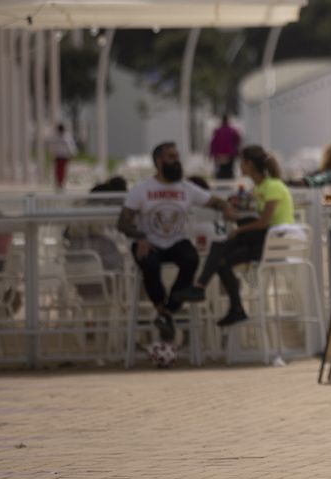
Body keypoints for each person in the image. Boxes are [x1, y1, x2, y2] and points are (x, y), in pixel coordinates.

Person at [117, 142, 229, 341]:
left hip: (177, 241)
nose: (176, 161)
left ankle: (167, 312)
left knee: (191, 259)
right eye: (171, 157)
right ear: (159, 161)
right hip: (149, 241)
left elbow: (213, 201)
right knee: (148, 263)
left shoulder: (186, 187)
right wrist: (140, 237)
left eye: (177, 156)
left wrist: (227, 207)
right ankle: (162, 309)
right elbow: (122, 223)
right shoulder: (141, 189)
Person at [186, 145, 299, 327]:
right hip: (261, 241)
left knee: (222, 245)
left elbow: (263, 222)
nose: (239, 166)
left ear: (250, 164)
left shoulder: (272, 187)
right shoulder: (259, 188)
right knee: (220, 260)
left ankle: (201, 288)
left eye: (242, 162)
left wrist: (238, 228)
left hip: (272, 244)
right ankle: (233, 307)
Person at [208, 114, 242, 181]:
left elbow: (213, 143)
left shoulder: (217, 131)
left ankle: (221, 184)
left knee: (220, 171)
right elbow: (238, 141)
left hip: (219, 155)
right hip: (230, 154)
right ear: (227, 121)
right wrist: (236, 151)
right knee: (229, 171)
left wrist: (212, 154)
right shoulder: (233, 131)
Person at [49, 123, 77, 191]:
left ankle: (61, 183)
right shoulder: (55, 136)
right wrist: (52, 153)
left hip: (64, 156)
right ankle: (58, 183)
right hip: (58, 155)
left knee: (63, 170)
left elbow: (70, 145)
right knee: (58, 170)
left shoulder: (67, 136)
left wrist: (72, 153)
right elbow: (52, 146)